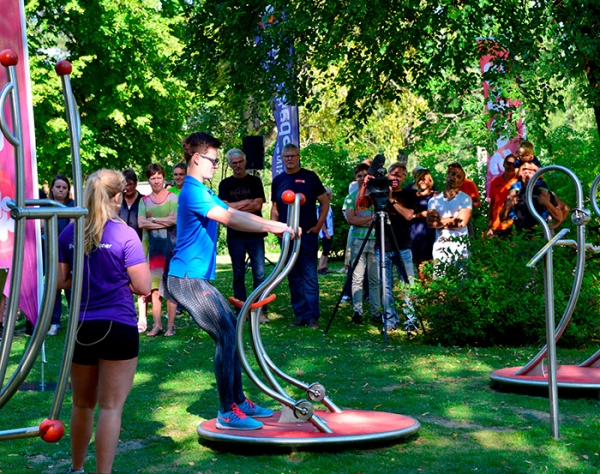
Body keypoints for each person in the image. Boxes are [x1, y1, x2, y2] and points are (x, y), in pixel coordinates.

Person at [167, 132, 294, 430]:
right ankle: (227, 412)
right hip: (185, 279)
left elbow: (234, 213)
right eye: (212, 160)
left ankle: (238, 400)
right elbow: (232, 220)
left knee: (233, 332)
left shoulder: (205, 191)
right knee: (226, 335)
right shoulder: (192, 191)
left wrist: (274, 226)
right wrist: (276, 226)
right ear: (196, 159)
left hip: (197, 278)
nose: (216, 165)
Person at [57, 169, 151, 474]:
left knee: (82, 404)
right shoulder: (126, 234)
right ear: (117, 196)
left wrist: (87, 280)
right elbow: (144, 286)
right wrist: (115, 280)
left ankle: (77, 468)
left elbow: (62, 281)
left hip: (81, 328)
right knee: (111, 408)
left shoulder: (70, 233)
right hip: (118, 327)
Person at [271, 143, 329, 329]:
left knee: (309, 275)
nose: (290, 159)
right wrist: (277, 230)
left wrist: (319, 225)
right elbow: (274, 208)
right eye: (286, 156)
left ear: (298, 157)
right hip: (288, 237)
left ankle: (312, 316)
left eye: (293, 156)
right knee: (293, 275)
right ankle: (300, 314)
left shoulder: (310, 177)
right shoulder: (278, 180)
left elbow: (324, 202)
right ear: (282, 159)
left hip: (308, 234)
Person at [218, 148, 268, 324]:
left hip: (255, 232)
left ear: (245, 161)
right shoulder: (224, 184)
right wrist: (246, 202)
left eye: (240, 162)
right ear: (230, 165)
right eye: (234, 163)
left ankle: (261, 311)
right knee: (238, 274)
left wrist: (234, 207)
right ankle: (241, 311)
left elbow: (257, 206)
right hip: (235, 235)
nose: (237, 165)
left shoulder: (255, 181)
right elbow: (224, 209)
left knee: (260, 274)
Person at [374, 163, 416, 332]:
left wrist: (391, 200)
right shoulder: (378, 192)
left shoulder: (409, 194)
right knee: (385, 286)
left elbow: (408, 215)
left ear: (405, 178)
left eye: (400, 175)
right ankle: (390, 320)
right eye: (393, 174)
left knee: (407, 284)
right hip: (382, 245)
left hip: (402, 246)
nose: (396, 177)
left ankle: (411, 320)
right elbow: (360, 203)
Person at [138, 164, 178, 337]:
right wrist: (163, 220)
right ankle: (157, 325)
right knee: (154, 289)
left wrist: (152, 219)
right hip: (152, 250)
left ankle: (170, 326)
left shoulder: (172, 198)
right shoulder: (144, 201)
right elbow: (141, 223)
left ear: (164, 178)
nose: (156, 181)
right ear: (148, 180)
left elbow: (174, 221)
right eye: (152, 178)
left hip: (171, 249)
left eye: (159, 177)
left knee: (171, 288)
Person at [343, 163, 381, 325]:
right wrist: (370, 220)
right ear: (355, 178)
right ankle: (357, 311)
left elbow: (380, 220)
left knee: (374, 279)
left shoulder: (375, 197)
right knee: (357, 277)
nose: (362, 179)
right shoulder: (351, 198)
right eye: (359, 176)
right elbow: (351, 220)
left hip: (375, 240)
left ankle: (376, 311)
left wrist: (363, 221)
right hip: (358, 241)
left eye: (365, 175)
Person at [118, 168, 147, 333]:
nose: (127, 188)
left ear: (136, 184)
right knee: (123, 282)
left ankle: (142, 319)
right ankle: (128, 314)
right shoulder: (117, 202)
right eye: (125, 185)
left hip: (139, 248)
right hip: (119, 249)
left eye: (130, 184)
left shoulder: (143, 201)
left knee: (139, 283)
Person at [427, 164, 473, 267]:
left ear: (461, 182)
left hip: (461, 247)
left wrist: (440, 221)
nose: (454, 177)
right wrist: (452, 219)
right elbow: (431, 223)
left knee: (463, 281)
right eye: (453, 174)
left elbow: (461, 223)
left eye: (458, 177)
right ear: (447, 176)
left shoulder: (465, 199)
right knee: (440, 280)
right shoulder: (434, 200)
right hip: (440, 247)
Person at [47, 174, 75, 336]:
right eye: (58, 187)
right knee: (53, 287)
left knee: (71, 286)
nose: (61, 190)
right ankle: (54, 322)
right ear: (52, 188)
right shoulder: (45, 206)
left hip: (68, 251)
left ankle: (75, 320)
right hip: (51, 252)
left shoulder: (72, 206)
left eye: (64, 187)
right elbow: (42, 228)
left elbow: (72, 227)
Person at [500, 161, 563, 232]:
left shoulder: (544, 193)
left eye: (530, 173)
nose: (527, 176)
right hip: (519, 237)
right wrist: (507, 206)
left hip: (539, 237)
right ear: (521, 175)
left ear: (536, 175)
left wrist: (547, 204)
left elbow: (559, 217)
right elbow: (502, 218)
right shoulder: (515, 193)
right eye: (525, 173)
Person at [408, 168, 437, 280]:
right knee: (420, 262)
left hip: (429, 231)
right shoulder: (412, 195)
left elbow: (432, 213)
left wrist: (415, 215)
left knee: (430, 262)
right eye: (419, 179)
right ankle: (423, 290)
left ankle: (432, 289)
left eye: (424, 179)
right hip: (415, 231)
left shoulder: (435, 195)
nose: (422, 182)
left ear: (430, 180)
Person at [487, 154, 517, 238]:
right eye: (508, 163)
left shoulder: (519, 182)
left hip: (513, 226)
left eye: (513, 164)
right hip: (496, 226)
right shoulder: (495, 181)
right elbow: (492, 204)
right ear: (504, 164)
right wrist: (489, 226)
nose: (510, 166)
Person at [317, 187, 334, 274]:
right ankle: (320, 267)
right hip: (325, 232)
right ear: (327, 195)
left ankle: (324, 266)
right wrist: (326, 232)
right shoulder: (322, 207)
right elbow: (321, 220)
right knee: (325, 248)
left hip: (330, 231)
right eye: (331, 193)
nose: (332, 195)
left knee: (328, 249)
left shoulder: (329, 206)